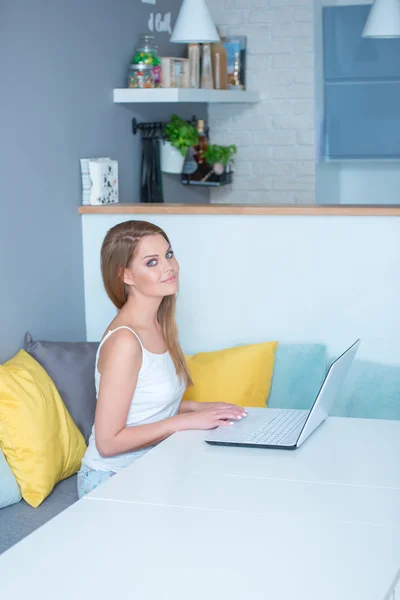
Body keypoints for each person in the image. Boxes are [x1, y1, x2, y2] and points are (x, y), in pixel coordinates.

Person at [78, 220, 246, 498]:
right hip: (110, 480)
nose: (169, 266)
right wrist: (186, 422)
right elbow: (108, 443)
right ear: (126, 275)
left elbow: (146, 407)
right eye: (152, 262)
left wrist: (201, 410)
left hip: (150, 469)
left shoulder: (159, 325)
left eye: (168, 254)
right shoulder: (125, 341)